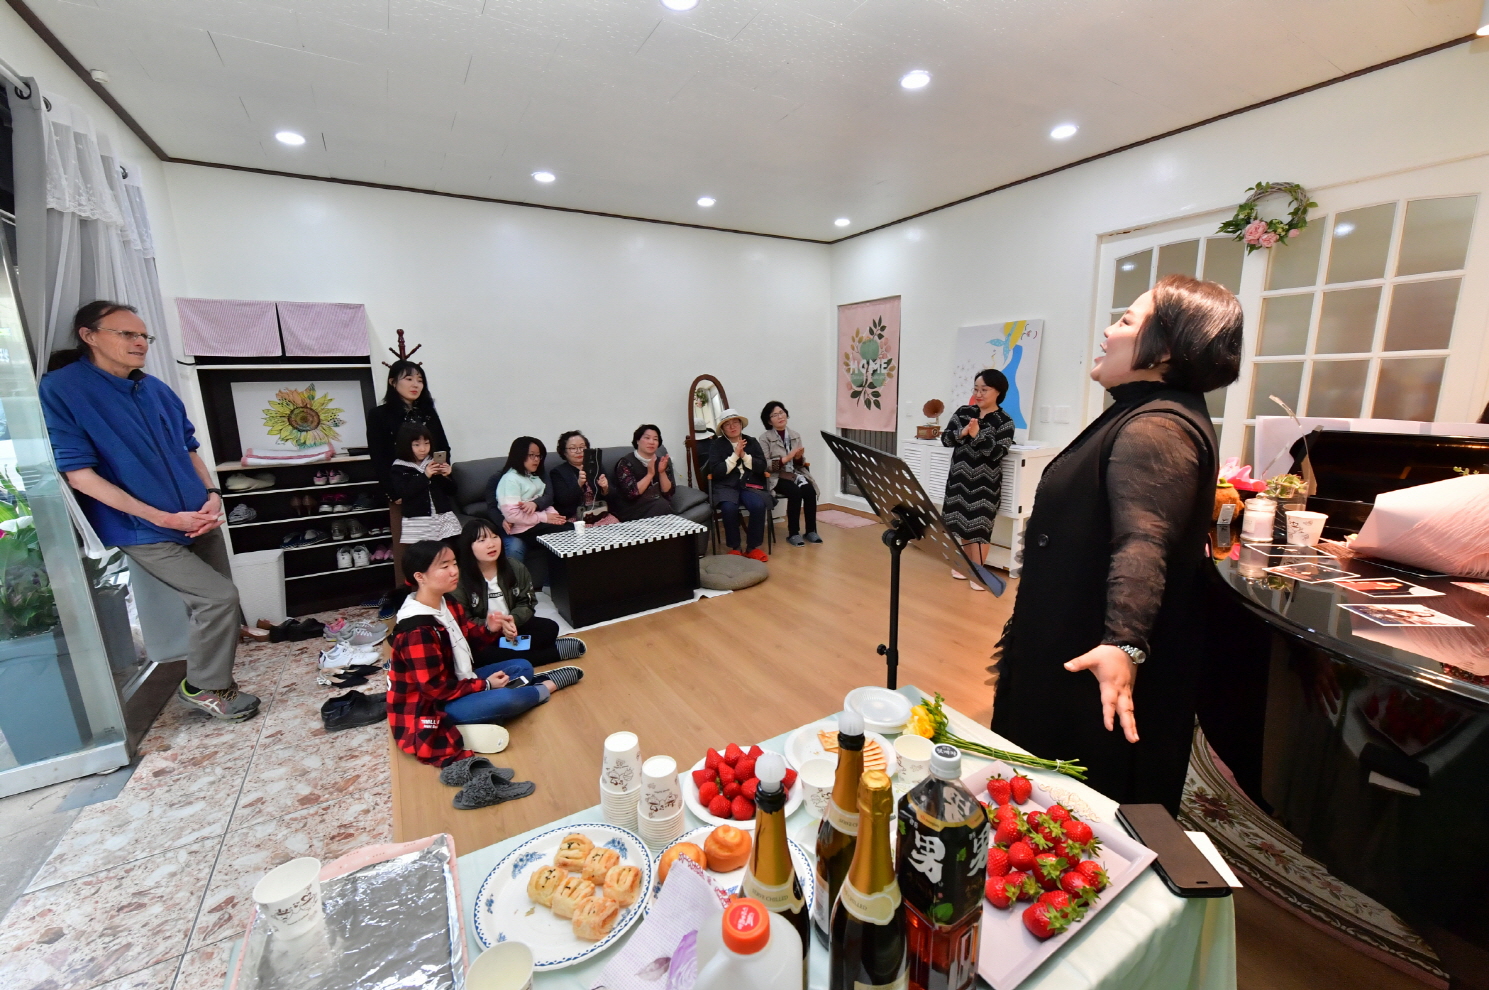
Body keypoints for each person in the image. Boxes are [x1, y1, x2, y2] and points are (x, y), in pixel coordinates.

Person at [991, 274, 1243, 814]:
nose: (1108, 331)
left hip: (1092, 657)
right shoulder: (1147, 409)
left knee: (1077, 809)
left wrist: (1124, 643)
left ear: (1166, 349)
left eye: (1127, 321)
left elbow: (1143, 541)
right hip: (1074, 637)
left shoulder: (1158, 428)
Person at [38, 301, 258, 722]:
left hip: (197, 516)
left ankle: (215, 682)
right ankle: (202, 686)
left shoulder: (154, 388)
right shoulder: (63, 389)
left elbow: (189, 449)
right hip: (141, 527)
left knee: (215, 602)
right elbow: (79, 476)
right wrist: (162, 518)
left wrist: (212, 493)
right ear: (89, 335)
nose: (140, 342)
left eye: (144, 336)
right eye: (127, 334)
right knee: (218, 598)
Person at [390, 540, 583, 769]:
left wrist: (491, 628)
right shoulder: (417, 630)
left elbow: (468, 636)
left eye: (454, 563)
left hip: (458, 681)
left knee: (521, 666)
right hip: (431, 706)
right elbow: (435, 690)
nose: (454, 571)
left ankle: (509, 694)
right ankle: (544, 688)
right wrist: (486, 685)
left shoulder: (446, 600)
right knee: (507, 699)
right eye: (445, 566)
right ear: (420, 577)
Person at [367, 360, 450, 605]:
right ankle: (408, 598)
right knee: (408, 547)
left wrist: (443, 469)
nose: (416, 384)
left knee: (439, 544)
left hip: (433, 486)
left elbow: (443, 446)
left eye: (420, 380)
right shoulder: (380, 415)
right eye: (409, 378)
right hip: (403, 488)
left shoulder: (427, 412)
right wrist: (393, 492)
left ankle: (442, 594)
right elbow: (379, 457)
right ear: (393, 382)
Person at [453, 518, 587, 664]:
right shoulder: (459, 579)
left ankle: (514, 653)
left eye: (495, 537)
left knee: (549, 628)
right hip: (484, 634)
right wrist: (490, 626)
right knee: (479, 655)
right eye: (482, 540)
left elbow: (527, 602)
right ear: (468, 547)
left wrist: (513, 619)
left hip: (514, 627)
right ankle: (552, 653)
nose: (491, 544)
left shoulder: (514, 567)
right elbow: (463, 621)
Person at [941, 369, 1016, 591]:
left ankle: (979, 572)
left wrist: (978, 435)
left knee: (980, 526)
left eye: (984, 389)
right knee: (962, 523)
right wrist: (963, 432)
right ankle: (968, 566)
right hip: (958, 478)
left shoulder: (1005, 421)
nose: (979, 394)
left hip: (985, 484)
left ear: (998, 391)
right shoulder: (964, 412)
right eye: (976, 389)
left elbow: (998, 453)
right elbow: (946, 439)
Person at [701, 409, 770, 561]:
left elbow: (761, 466)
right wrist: (734, 455)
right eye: (727, 424)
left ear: (741, 425)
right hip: (726, 486)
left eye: (735, 422)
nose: (732, 426)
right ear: (723, 428)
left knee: (758, 505)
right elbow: (717, 471)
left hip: (749, 484)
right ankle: (735, 547)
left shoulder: (751, 441)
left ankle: (752, 547)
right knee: (728, 508)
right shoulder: (716, 445)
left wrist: (744, 455)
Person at [494, 436, 567, 564]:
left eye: (538, 456)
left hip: (536, 525)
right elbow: (512, 515)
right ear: (519, 455)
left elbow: (545, 502)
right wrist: (544, 517)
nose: (536, 460)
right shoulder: (510, 479)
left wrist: (554, 517)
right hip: (523, 529)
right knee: (566, 535)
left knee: (573, 530)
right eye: (532, 455)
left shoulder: (533, 477)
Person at [759, 401, 821, 547]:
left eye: (781, 412)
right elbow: (766, 465)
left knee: (810, 491)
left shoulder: (795, 435)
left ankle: (811, 531)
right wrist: (787, 458)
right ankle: (793, 533)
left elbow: (799, 464)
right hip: (776, 476)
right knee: (795, 492)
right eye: (775, 415)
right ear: (769, 421)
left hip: (794, 473)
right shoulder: (764, 438)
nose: (780, 416)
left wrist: (798, 458)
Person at [388, 423, 461, 543]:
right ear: (405, 445)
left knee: (448, 549)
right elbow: (404, 493)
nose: (423, 449)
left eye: (427, 443)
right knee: (424, 552)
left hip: (442, 518)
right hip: (418, 521)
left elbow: (452, 491)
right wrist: (425, 476)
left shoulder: (433, 462)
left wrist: (446, 476)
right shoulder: (399, 467)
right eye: (416, 445)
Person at [549, 430, 619, 525]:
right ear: (564, 452)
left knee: (617, 529)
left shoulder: (597, 467)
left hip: (600, 514)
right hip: (576, 518)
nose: (579, 451)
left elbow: (614, 496)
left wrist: (605, 488)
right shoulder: (558, 472)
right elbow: (563, 501)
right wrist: (579, 484)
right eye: (573, 448)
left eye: (582, 447)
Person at [611, 424, 677, 521]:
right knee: (662, 506)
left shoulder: (661, 462)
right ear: (637, 440)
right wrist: (650, 474)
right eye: (647, 438)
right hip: (631, 508)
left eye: (655, 439)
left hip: (658, 505)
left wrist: (662, 472)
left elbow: (668, 493)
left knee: (663, 504)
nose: (651, 442)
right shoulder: (625, 463)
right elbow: (632, 494)